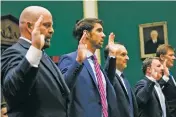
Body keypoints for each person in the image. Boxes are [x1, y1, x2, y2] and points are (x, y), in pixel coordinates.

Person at [1, 6, 70, 117]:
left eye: (51, 26)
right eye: (46, 25)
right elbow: (13, 90)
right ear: (29, 26)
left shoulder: (42, 54)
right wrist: (35, 49)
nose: (52, 30)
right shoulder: (14, 52)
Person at [58, 18, 119, 117]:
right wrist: (78, 61)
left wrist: (112, 56)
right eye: (99, 30)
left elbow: (107, 85)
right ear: (86, 34)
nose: (103, 35)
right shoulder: (70, 59)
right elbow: (63, 87)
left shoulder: (95, 63)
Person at [104, 42, 138, 117]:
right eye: (123, 55)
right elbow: (109, 74)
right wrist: (111, 56)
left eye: (126, 54)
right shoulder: (109, 77)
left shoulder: (124, 78)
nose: (127, 58)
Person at [156, 44, 176, 117]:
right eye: (171, 55)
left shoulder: (169, 73)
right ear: (162, 57)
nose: (174, 58)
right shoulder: (157, 74)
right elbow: (155, 91)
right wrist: (165, 77)